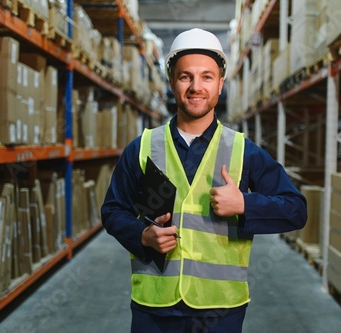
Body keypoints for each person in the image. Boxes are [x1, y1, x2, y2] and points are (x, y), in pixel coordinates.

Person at [101, 28, 307, 333]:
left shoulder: (243, 152)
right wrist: (142, 235)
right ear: (172, 82)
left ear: (220, 84)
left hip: (219, 311)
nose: (196, 87)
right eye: (186, 77)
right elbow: (112, 210)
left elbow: (296, 209)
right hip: (155, 308)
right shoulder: (143, 147)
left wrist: (244, 204)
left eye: (207, 77)